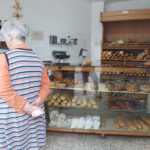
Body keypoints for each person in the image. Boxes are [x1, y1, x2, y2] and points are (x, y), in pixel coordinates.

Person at [0, 20, 50, 150]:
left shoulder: (4, 58)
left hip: (13, 119)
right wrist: (37, 102)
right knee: (33, 146)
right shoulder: (38, 58)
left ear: (10, 37)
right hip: (36, 116)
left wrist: (26, 107)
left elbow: (5, 92)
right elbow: (46, 85)